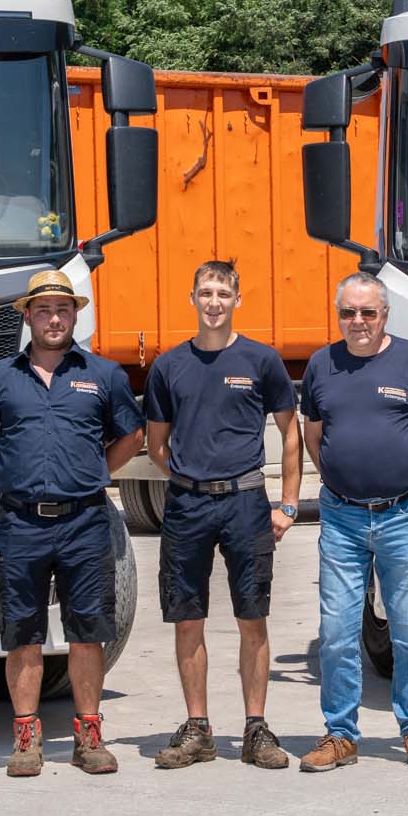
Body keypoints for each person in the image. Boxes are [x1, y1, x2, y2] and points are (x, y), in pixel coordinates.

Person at [0, 269, 144, 778]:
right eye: (44, 311)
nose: (54, 319)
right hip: (22, 525)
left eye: (63, 310)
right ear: (28, 317)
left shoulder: (103, 375)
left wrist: (96, 473)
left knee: (88, 632)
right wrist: (5, 479)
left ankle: (89, 737)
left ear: (75, 316)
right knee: (23, 633)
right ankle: (26, 738)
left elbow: (131, 435)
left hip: (85, 522)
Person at [144, 260, 301, 770]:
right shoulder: (169, 366)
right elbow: (156, 443)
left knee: (251, 618)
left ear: (237, 300)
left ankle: (256, 729)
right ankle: (198, 729)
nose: (214, 302)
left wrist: (288, 503)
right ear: (192, 298)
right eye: (206, 293)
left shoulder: (262, 360)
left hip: (245, 504)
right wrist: (189, 477)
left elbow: (291, 432)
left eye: (223, 293)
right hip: (187, 506)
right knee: (187, 618)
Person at [297, 272, 408, 772]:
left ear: (385, 315)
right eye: (348, 312)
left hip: (403, 514)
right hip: (341, 518)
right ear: (338, 315)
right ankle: (341, 735)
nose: (357, 321)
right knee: (337, 633)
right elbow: (313, 433)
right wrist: (338, 477)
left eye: (367, 312)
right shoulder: (322, 364)